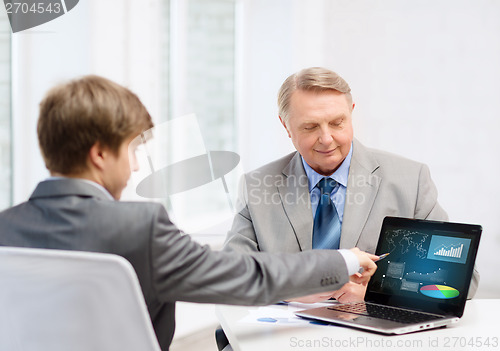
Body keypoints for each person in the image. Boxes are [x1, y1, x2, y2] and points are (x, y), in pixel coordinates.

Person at [0, 75, 378, 351]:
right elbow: (247, 276)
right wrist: (344, 260)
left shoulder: (5, 228)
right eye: (131, 151)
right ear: (100, 155)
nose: (133, 168)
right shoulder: (138, 228)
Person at [224, 67, 479, 302]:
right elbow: (230, 276)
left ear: (352, 113)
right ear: (285, 125)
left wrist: (375, 292)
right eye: (311, 126)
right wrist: (296, 290)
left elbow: (462, 282)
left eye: (337, 123)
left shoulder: (410, 181)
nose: (327, 139)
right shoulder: (257, 185)